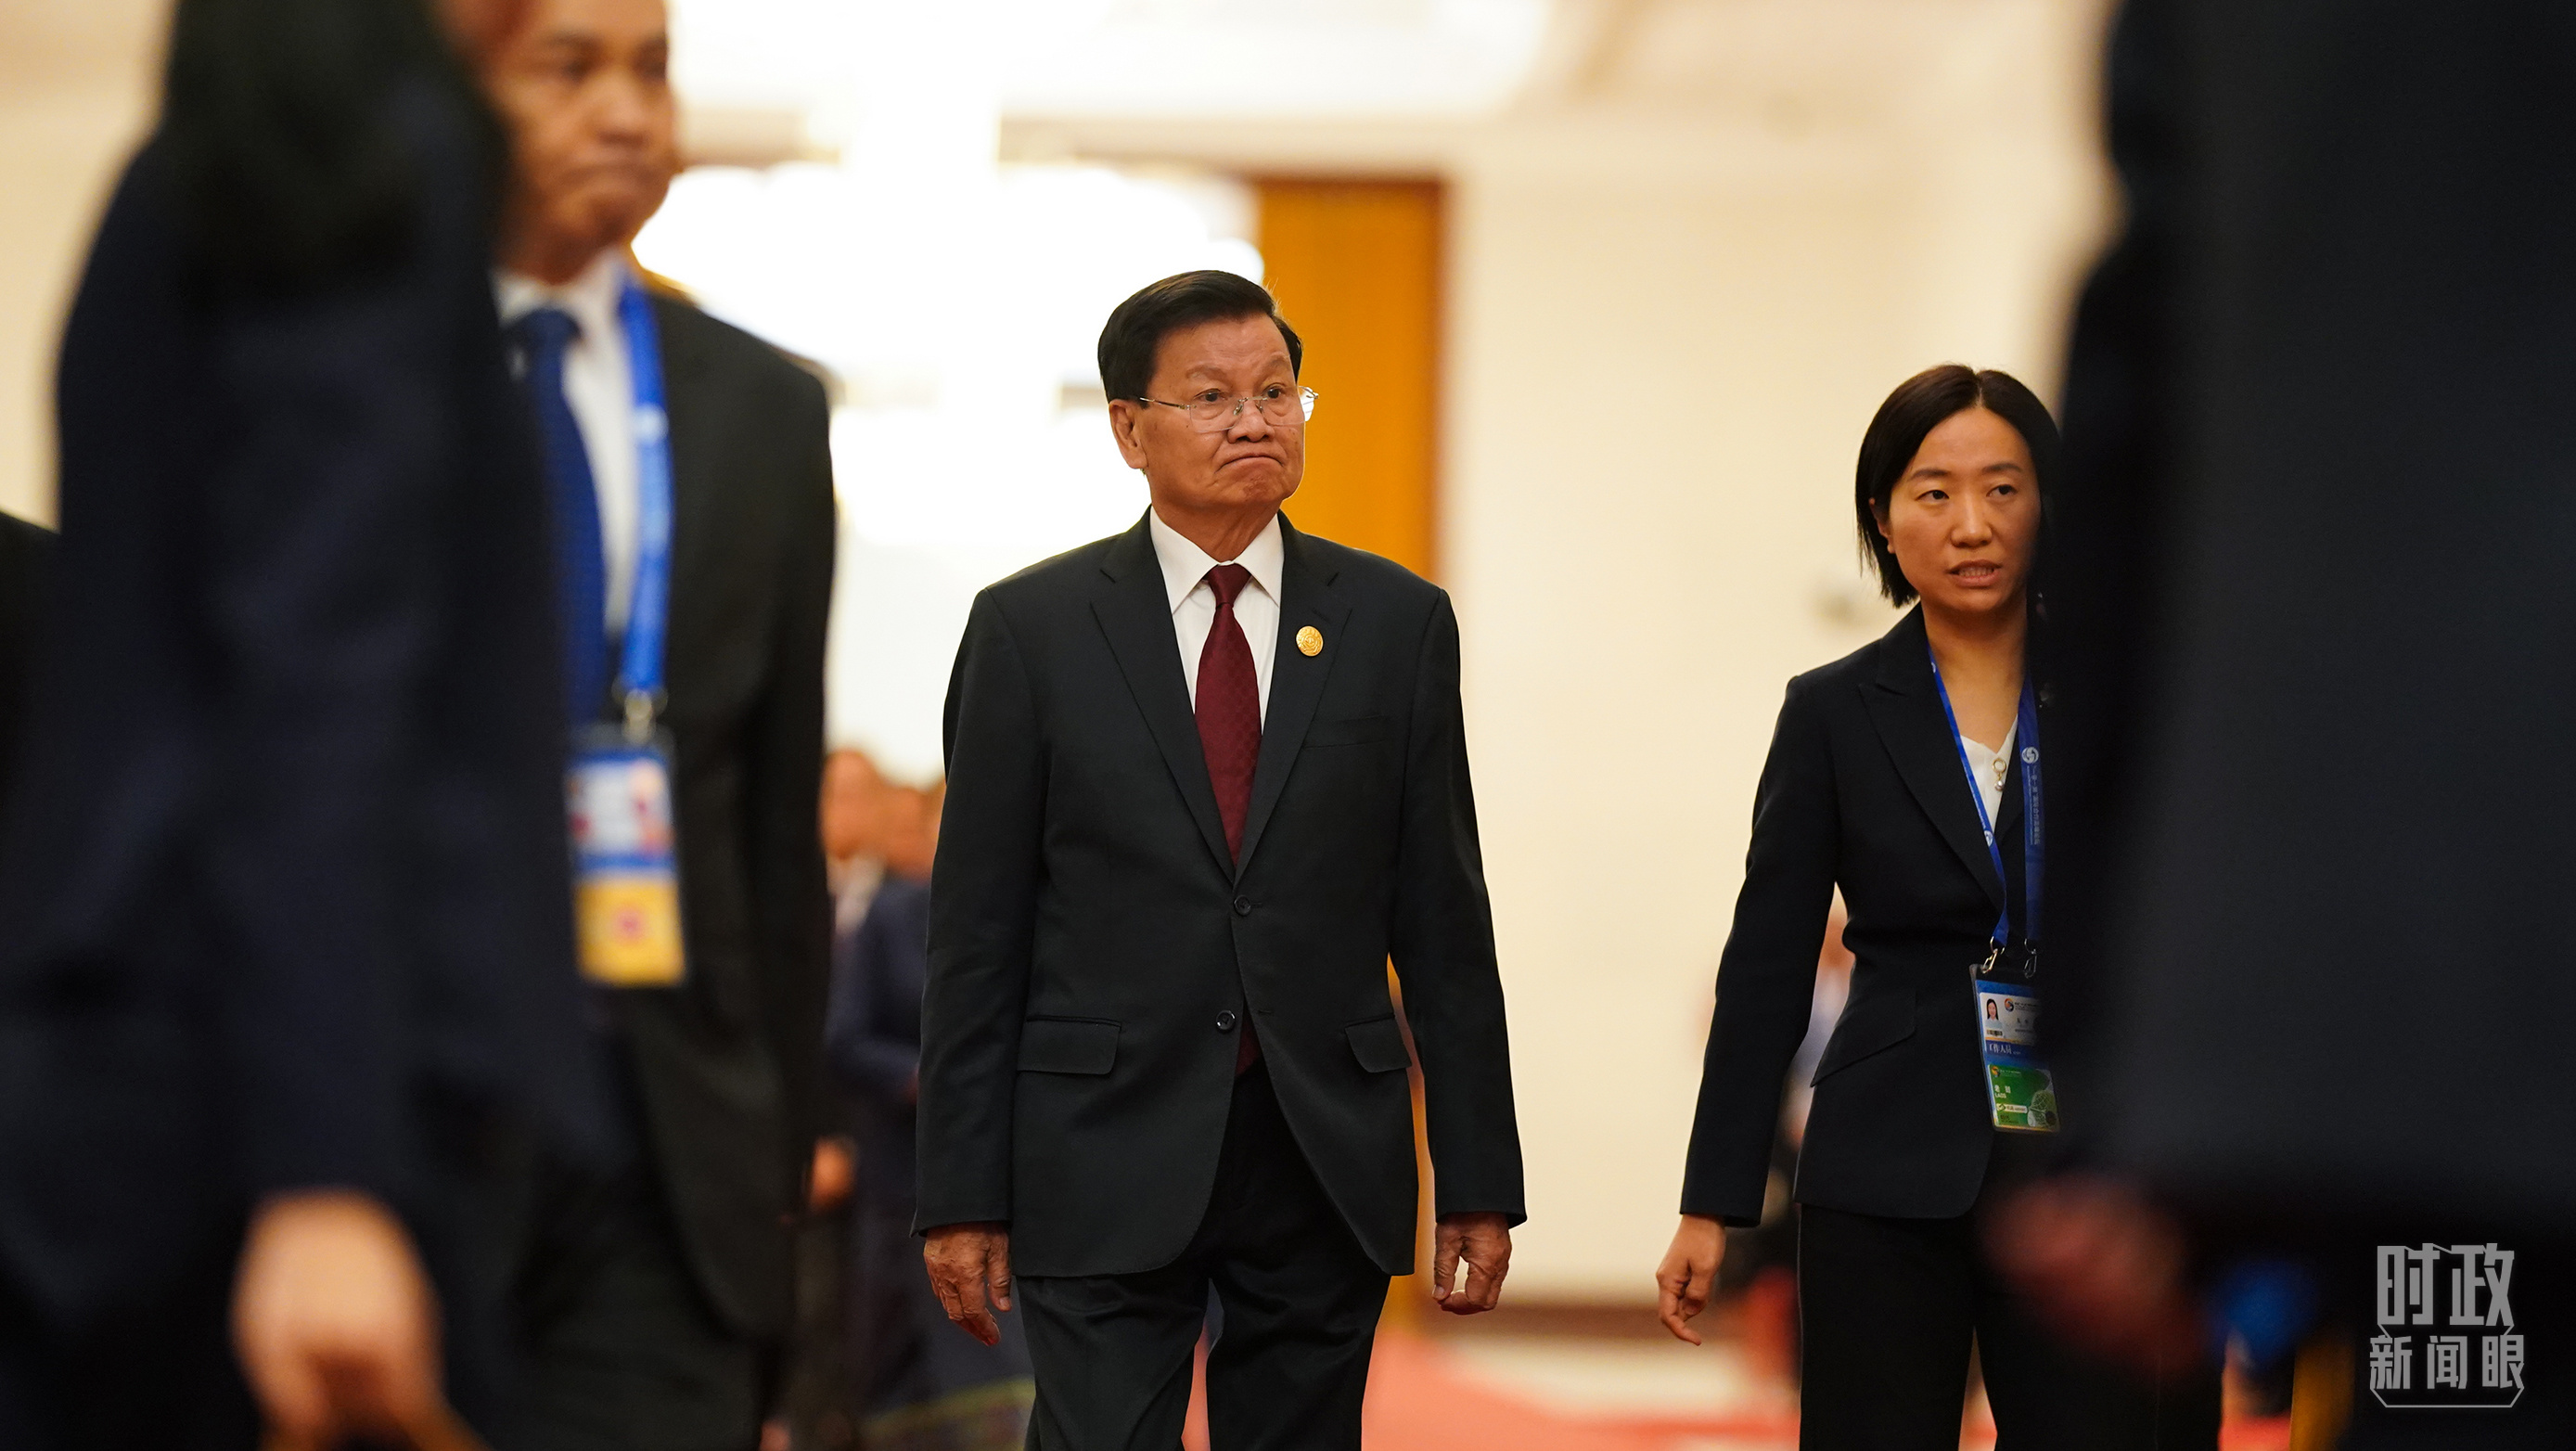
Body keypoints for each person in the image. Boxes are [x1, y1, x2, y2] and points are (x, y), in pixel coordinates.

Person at [0, 0, 605, 1446]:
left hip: (172, 1073)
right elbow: (314, 684)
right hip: (268, 1110)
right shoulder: (358, 155)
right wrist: (326, 1171)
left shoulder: (217, 157)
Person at [2000, 3, 2576, 1445]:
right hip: (2435, 1075)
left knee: (2463, 1399)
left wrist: (2113, 1077)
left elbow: (2142, 448)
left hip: (2423, 1042)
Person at [916, 270, 1524, 1449]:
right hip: (1099, 1135)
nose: (1253, 420)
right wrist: (958, 1192)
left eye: (1275, 392)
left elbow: (1444, 918)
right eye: (1209, 397)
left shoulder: (1394, 624)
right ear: (1127, 429)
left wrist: (1476, 1173)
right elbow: (976, 934)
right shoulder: (1031, 631)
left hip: (1318, 1141)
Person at [1653, 366, 2221, 1447]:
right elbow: (1765, 962)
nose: (1971, 524)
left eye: (2003, 488)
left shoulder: (2126, 686)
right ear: (1882, 516)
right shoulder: (1830, 710)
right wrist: (1711, 1201)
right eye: (1933, 492)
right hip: (1884, 1160)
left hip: (2088, 1165)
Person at [476, 0, 837, 1445]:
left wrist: (773, 1159)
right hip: (399, 1147)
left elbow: (773, 827)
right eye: (568, 70)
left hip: (668, 1152)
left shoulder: (760, 409)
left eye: (653, 70)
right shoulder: (331, 370)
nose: (627, 113)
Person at [828, 783, 1036, 1450]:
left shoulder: (1040, 919)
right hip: (902, 1186)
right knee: (895, 1380)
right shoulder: (891, 917)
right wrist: (923, 1078)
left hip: (1014, 1188)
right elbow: (844, 1039)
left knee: (1000, 1378)